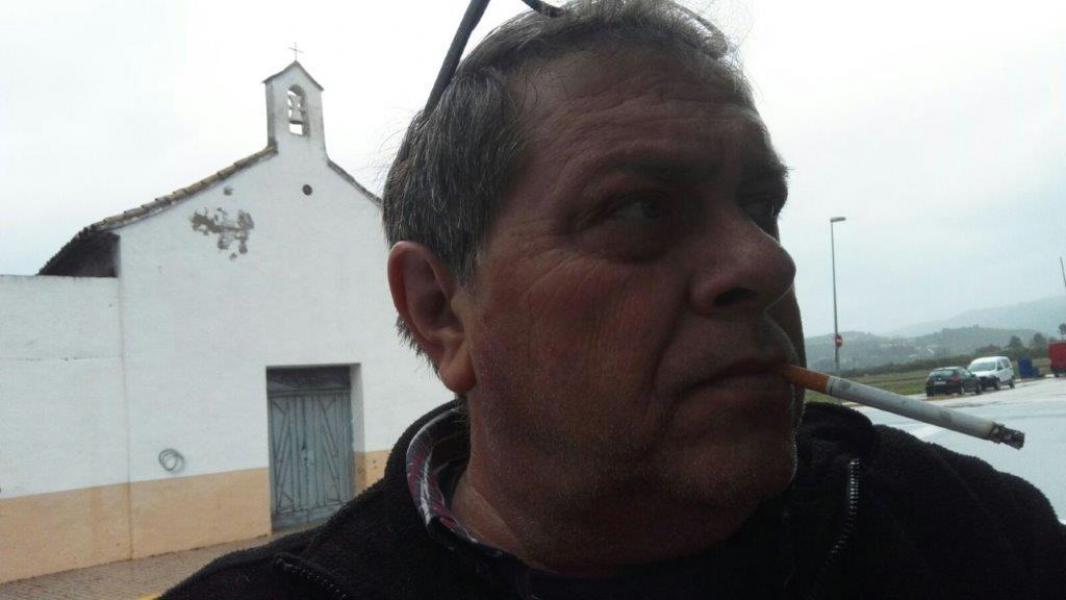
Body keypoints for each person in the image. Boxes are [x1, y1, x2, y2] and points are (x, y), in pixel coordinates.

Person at [163, 1, 1066, 598]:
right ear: (440, 312)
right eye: (640, 209)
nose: (763, 263)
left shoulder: (968, 534)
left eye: (761, 206)